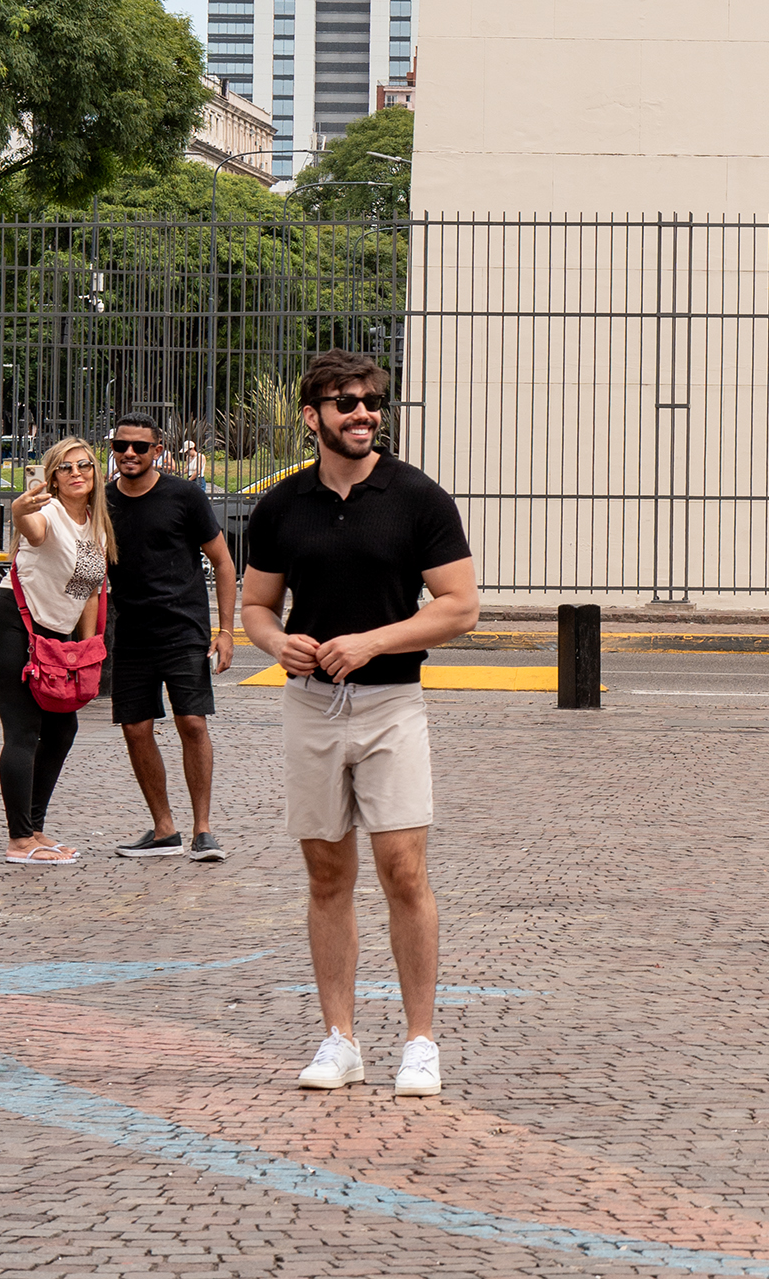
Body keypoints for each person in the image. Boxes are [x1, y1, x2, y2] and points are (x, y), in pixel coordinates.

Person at [240, 350, 477, 1098]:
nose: (363, 413)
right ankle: (339, 1039)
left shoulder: (418, 498)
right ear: (311, 417)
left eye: (372, 400)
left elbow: (459, 606)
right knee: (325, 874)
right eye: (345, 402)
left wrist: (372, 639)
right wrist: (280, 643)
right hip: (310, 707)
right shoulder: (281, 506)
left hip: (390, 706)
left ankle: (419, 1042)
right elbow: (254, 607)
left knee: (403, 870)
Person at [104, 404, 238, 863]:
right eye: (120, 445)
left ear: (158, 451)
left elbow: (223, 562)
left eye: (139, 446)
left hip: (184, 629)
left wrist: (225, 631)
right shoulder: (104, 502)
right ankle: (165, 830)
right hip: (132, 633)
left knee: (192, 723)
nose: (129, 453)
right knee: (136, 729)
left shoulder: (185, 497)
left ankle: (203, 830)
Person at [0, 439, 111, 865]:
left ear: (95, 473)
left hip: (53, 635)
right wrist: (20, 510)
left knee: (62, 729)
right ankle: (19, 842)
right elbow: (30, 529)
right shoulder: (48, 514)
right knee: (24, 730)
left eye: (84, 466)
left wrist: (86, 650)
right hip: (10, 624)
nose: (76, 473)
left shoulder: (94, 524)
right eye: (66, 468)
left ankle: (33, 829)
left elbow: (87, 590)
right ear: (53, 477)